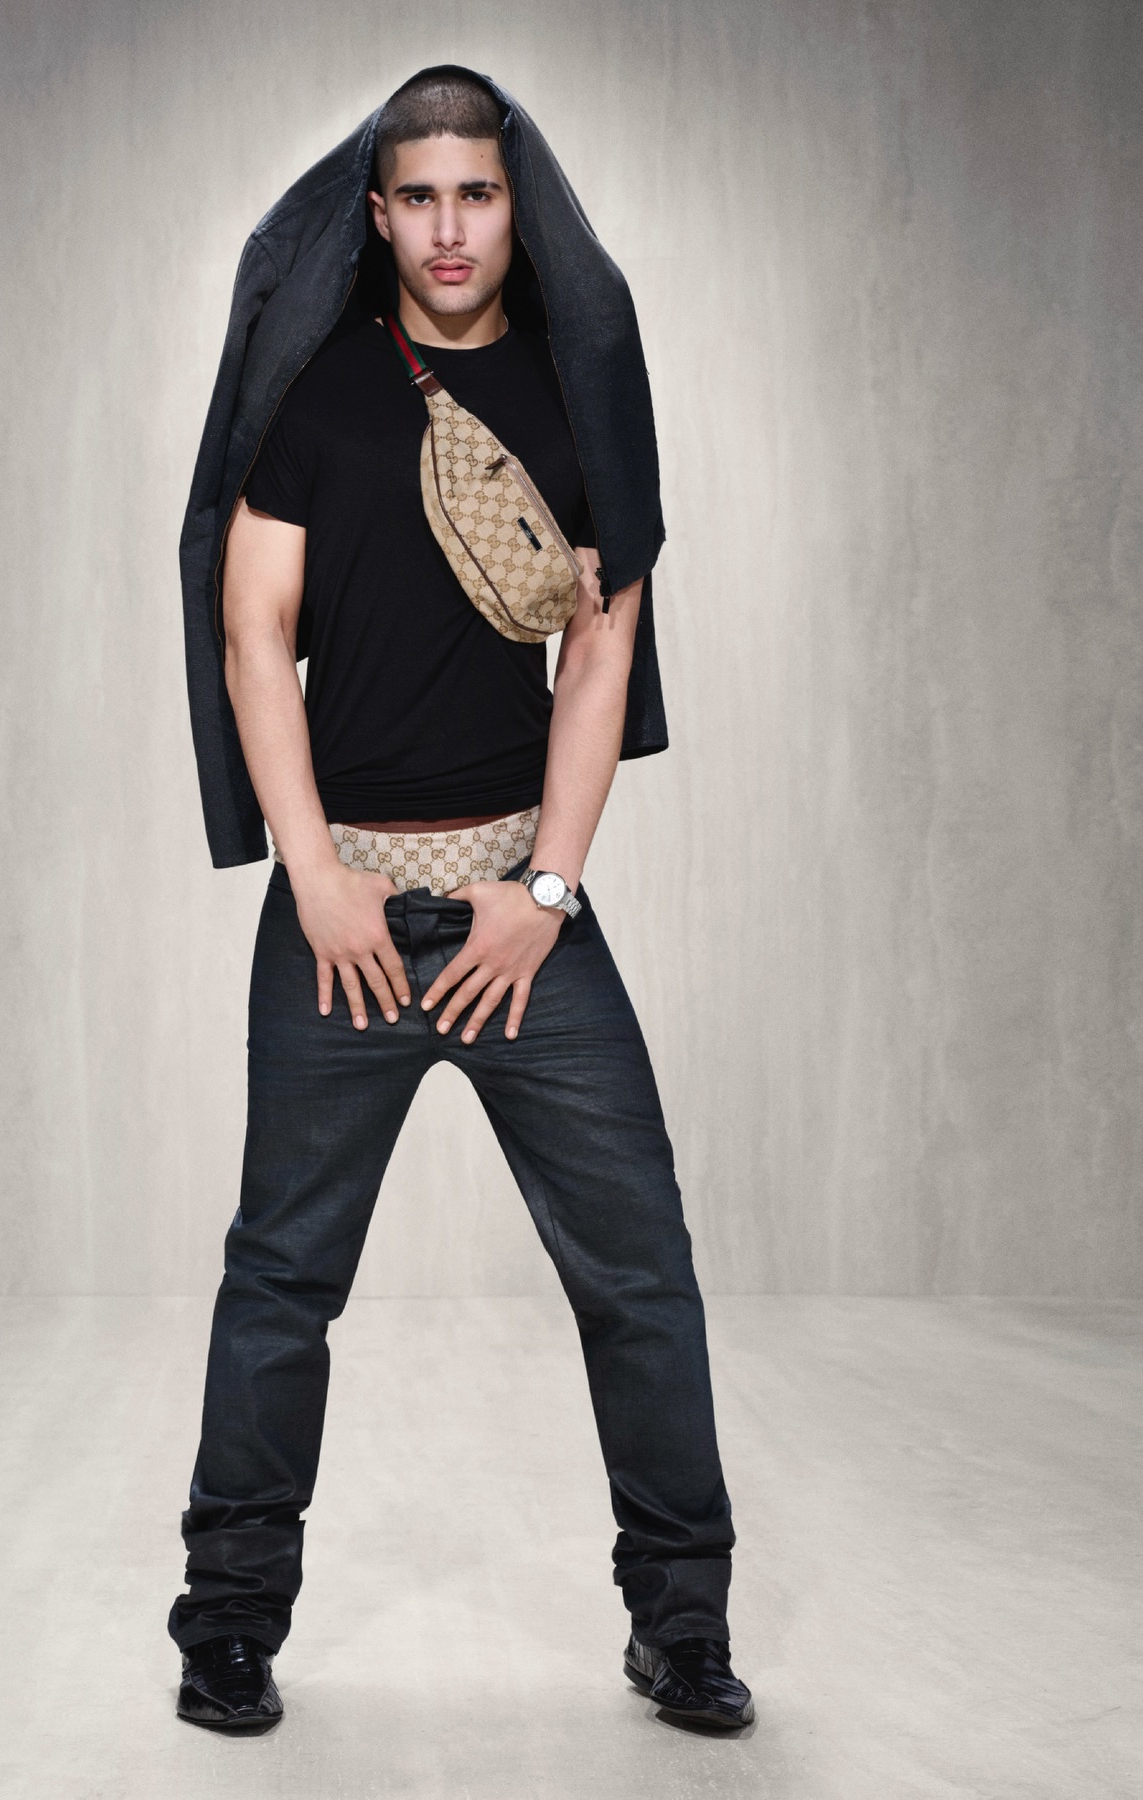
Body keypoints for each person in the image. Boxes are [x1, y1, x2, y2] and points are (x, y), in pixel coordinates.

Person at [169, 66, 752, 1735]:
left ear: (516, 205)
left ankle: (683, 1628)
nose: (447, 228)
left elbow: (604, 649)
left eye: (475, 195)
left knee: (640, 1271)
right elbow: (251, 636)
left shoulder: (579, 393)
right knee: (281, 1279)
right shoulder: (317, 394)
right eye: (417, 197)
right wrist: (316, 876)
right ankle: (227, 1624)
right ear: (376, 213)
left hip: (522, 925)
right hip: (341, 921)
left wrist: (546, 889)